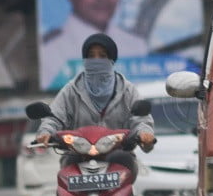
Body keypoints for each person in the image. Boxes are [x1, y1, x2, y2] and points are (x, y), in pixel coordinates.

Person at [36, 33, 155, 173]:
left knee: (125, 162)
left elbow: (140, 119)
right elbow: (54, 117)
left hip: (118, 158)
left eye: (103, 56)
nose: (96, 60)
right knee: (65, 178)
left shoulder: (127, 90)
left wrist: (144, 133)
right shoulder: (71, 90)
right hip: (78, 157)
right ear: (85, 60)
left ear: (112, 60)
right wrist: (46, 132)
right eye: (91, 56)